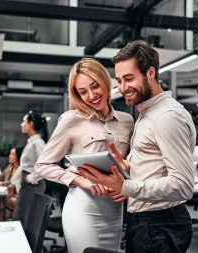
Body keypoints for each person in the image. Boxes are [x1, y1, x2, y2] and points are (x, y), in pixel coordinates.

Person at [78, 40, 197, 253]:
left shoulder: (166, 117)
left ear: (150, 73)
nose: (123, 88)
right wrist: (126, 166)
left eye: (129, 79)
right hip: (148, 222)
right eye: (120, 81)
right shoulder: (147, 113)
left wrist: (125, 187)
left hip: (159, 225)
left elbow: (183, 185)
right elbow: (154, 167)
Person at [35, 58, 134, 253]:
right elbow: (43, 165)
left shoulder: (127, 121)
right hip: (83, 207)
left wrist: (126, 184)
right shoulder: (71, 120)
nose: (91, 95)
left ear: (105, 81)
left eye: (95, 86)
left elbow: (130, 164)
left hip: (115, 209)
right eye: (82, 92)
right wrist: (80, 181)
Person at [11, 111, 49, 226]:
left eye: (24, 121)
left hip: (32, 185)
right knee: (22, 218)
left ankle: (27, 244)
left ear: (31, 124)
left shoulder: (38, 143)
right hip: (28, 185)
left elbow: (47, 165)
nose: (22, 124)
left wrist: (30, 178)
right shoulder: (32, 142)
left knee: (24, 220)